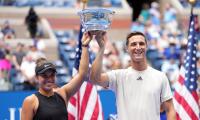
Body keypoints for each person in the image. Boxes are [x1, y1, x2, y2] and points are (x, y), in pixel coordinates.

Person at [90, 31, 176, 120]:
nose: (138, 47)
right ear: (127, 48)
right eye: (133, 44)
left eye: (141, 44)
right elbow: (94, 78)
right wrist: (101, 48)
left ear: (146, 47)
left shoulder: (160, 76)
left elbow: (170, 109)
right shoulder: (119, 76)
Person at [21, 32, 91, 120]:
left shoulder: (62, 93)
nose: (49, 79)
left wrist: (84, 46)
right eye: (44, 76)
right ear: (37, 78)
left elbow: (82, 74)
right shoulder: (31, 101)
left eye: (52, 75)